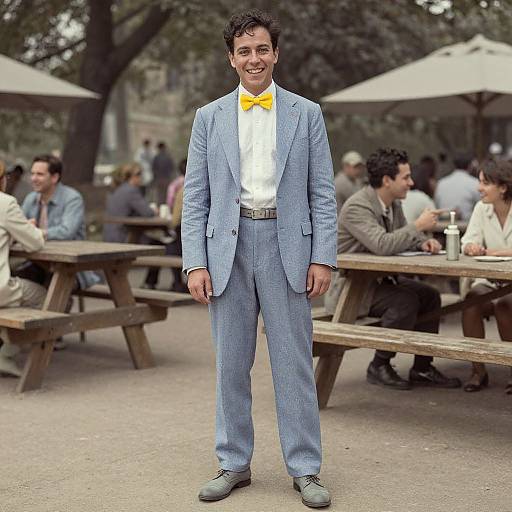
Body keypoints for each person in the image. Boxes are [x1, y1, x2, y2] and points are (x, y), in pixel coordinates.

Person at [182, 9, 336, 508]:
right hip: (226, 246)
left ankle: (306, 468)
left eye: (262, 49)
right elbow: (196, 197)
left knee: (292, 363)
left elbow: (323, 194)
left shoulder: (306, 113)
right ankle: (233, 462)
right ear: (232, 58)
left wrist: (323, 258)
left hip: (289, 245)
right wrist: (194, 262)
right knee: (231, 363)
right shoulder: (208, 118)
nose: (254, 58)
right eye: (244, 51)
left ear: (276, 53)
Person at [325, 147, 461, 391]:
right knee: (405, 301)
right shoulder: (357, 207)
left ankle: (422, 367)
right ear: (387, 181)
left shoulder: (393, 204)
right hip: (350, 290)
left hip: (377, 282)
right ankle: (379, 365)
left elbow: (401, 235)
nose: (411, 182)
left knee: (430, 296)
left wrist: (423, 241)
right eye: (405, 177)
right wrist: (418, 227)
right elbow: (382, 244)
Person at [461, 159, 512, 393]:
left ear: (503, 187)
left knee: (505, 304)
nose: (479, 188)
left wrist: (495, 252)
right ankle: (478, 370)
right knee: (472, 300)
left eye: (485, 183)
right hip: (489, 278)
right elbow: (468, 240)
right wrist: (471, 247)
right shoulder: (482, 207)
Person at [20, 155, 100, 294]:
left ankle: (59, 310)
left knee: (53, 289)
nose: (33, 178)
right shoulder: (31, 198)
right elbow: (19, 227)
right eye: (32, 174)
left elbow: (67, 231)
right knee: (15, 280)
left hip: (69, 267)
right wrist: (25, 227)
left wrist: (35, 231)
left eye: (39, 174)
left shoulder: (72, 198)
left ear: (54, 177)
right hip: (38, 262)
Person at [0, 160, 47, 377]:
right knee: (47, 298)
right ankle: (7, 353)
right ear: (3, 179)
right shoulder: (6, 203)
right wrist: (31, 230)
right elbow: (35, 243)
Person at [103, 163, 166, 290]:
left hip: (111, 234)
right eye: (139, 175)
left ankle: (149, 283)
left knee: (155, 243)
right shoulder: (131, 191)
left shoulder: (119, 189)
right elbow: (147, 212)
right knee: (159, 247)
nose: (141, 178)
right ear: (132, 177)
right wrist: (156, 211)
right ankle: (150, 283)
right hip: (123, 237)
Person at [435, 153, 480, 220]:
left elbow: (437, 205)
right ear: (470, 165)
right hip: (466, 226)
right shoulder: (475, 183)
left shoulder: (441, 183)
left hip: (442, 225)